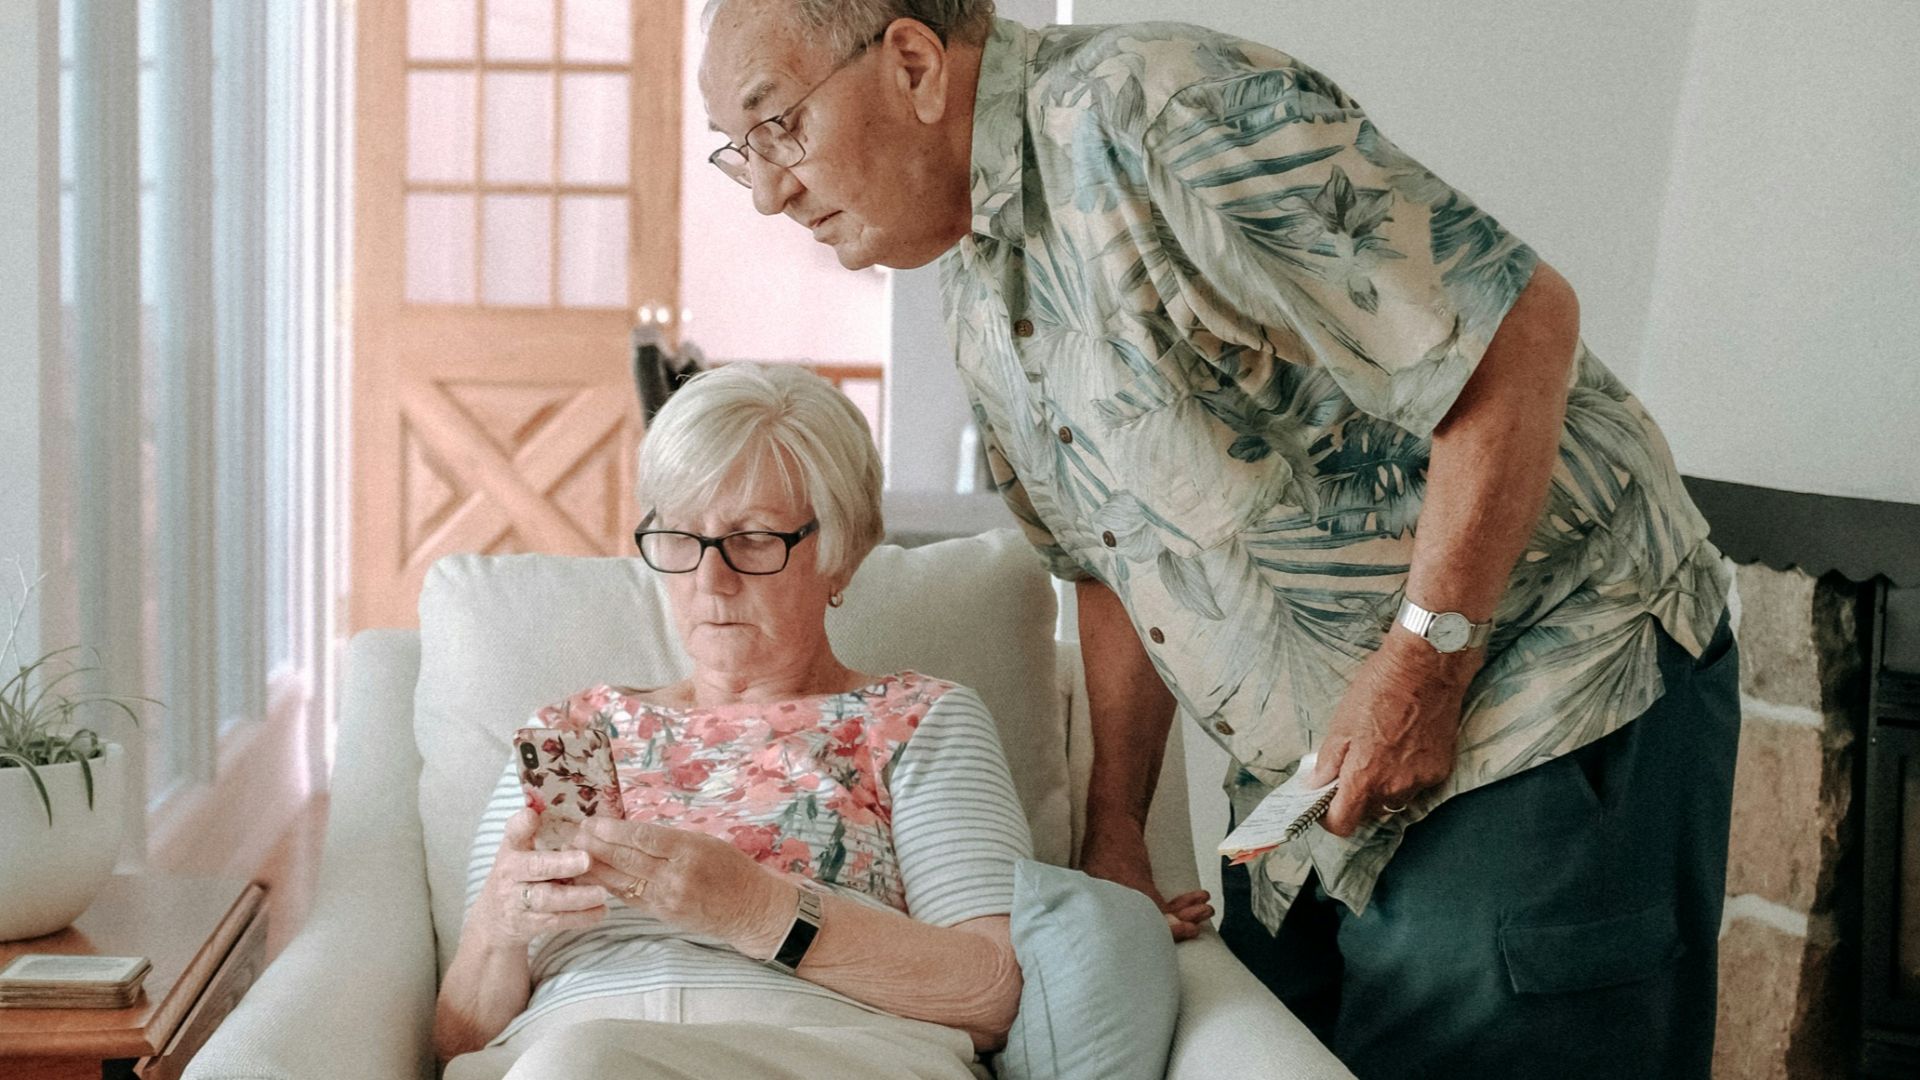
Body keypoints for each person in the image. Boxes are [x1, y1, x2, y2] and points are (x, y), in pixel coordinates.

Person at [697, 3, 1742, 1077]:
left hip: (1537, 704)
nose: (770, 192)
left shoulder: (1165, 113)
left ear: (913, 61)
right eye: (743, 155)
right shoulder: (973, 285)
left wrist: (1423, 664)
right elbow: (1108, 565)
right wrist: (1117, 828)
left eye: (777, 127)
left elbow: (1520, 331)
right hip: (1313, 784)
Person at [434, 363, 1031, 1080]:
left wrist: (755, 908)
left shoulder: (917, 720)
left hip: (823, 1054)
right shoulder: (571, 732)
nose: (708, 581)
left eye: (752, 539)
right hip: (568, 1048)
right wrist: (499, 928)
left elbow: (990, 992)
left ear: (840, 553)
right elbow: (460, 1040)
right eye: (681, 537)